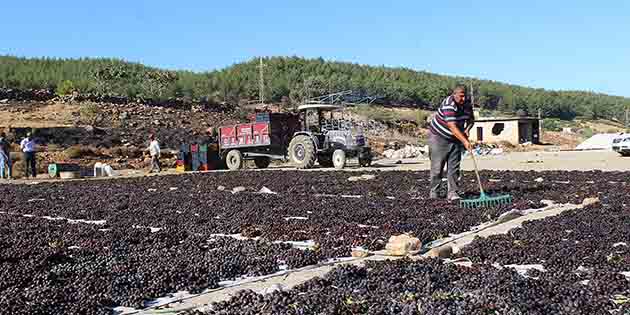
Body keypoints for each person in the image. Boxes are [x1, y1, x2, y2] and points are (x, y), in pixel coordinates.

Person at [428, 85, 474, 201]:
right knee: (437, 167)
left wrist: (467, 130)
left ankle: (453, 193)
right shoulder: (449, 104)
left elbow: (471, 119)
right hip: (439, 136)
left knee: (454, 167)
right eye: (461, 96)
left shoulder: (467, 104)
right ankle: (435, 192)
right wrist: (465, 141)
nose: (463, 99)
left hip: (456, 138)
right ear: (454, 95)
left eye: (465, 96)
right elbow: (452, 127)